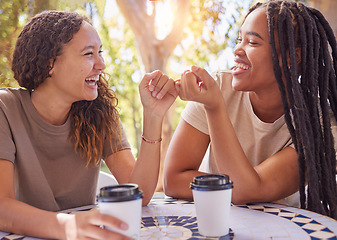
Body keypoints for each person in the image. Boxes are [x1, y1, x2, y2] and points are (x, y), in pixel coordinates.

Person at [0, 10, 177, 239]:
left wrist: (153, 116)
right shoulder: (5, 109)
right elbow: (2, 208)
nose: (101, 64)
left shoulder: (99, 112)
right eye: (88, 54)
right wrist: (67, 226)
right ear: (50, 63)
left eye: (100, 52)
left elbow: (139, 194)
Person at [163, 0, 337, 219]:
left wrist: (215, 108)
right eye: (239, 39)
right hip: (216, 220)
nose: (237, 50)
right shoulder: (216, 89)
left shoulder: (320, 126)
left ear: (294, 57)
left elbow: (244, 191)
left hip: (280, 229)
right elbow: (172, 180)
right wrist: (246, 190)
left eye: (252, 42)